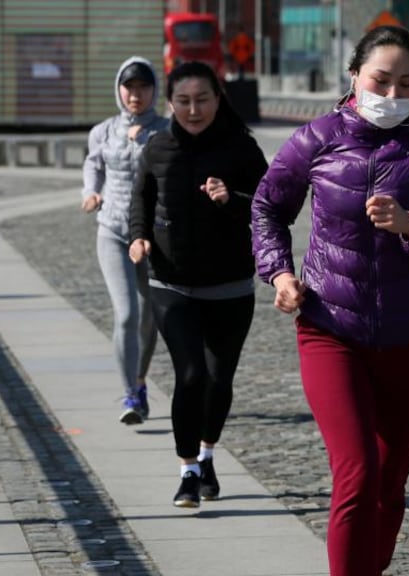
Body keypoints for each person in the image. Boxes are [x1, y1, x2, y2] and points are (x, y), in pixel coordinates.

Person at [251, 25, 409, 576]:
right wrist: (280, 273)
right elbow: (266, 209)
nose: (393, 94)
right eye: (381, 80)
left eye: (408, 83)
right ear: (354, 76)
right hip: (331, 329)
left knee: (389, 484)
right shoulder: (318, 137)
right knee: (356, 476)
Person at [128, 61, 268, 508]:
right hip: (171, 284)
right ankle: (188, 471)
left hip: (230, 286)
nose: (193, 109)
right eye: (184, 101)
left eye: (202, 99)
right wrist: (139, 236)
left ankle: (208, 454)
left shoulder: (242, 150)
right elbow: (141, 198)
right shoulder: (158, 147)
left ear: (217, 99)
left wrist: (232, 199)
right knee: (190, 375)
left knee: (218, 378)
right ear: (170, 103)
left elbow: (271, 209)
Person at [82, 57, 168, 426]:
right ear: (119, 89)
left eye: (143, 87)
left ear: (154, 91)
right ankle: (130, 395)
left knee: (150, 320)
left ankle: (139, 380)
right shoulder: (103, 131)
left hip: (152, 238)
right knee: (127, 314)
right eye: (129, 87)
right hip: (113, 233)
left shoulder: (166, 131)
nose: (136, 94)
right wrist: (91, 192)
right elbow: (93, 164)